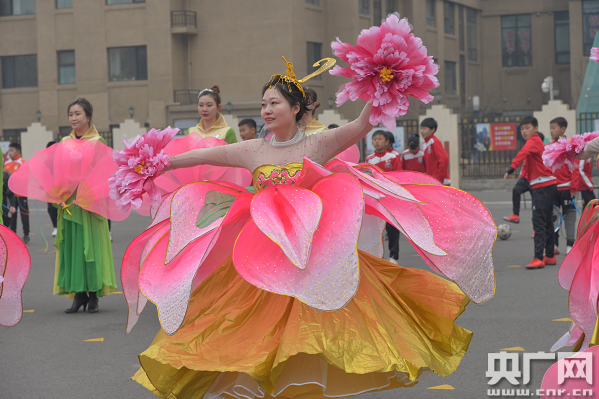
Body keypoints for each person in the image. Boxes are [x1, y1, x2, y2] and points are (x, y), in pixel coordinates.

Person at [125, 57, 496, 399]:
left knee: (312, 341)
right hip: (263, 266)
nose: (267, 110)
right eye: (264, 104)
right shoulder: (251, 150)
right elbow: (197, 157)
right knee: (254, 340)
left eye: (275, 103)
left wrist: (380, 88)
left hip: (312, 261)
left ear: (297, 109)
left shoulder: (319, 143)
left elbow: (362, 125)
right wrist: (159, 163)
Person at [57, 98, 117, 314]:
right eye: (70, 114)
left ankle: (93, 295)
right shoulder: (64, 141)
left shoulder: (97, 141)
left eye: (78, 114)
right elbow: (59, 171)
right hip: (70, 201)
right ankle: (78, 295)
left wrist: (91, 193)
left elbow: (105, 174)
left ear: (88, 116)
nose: (73, 118)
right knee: (73, 246)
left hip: (90, 201)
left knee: (90, 246)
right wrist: (58, 193)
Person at [504, 116, 557, 269]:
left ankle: (538, 258)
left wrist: (512, 168)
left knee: (539, 222)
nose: (524, 131)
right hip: (548, 185)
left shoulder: (533, 141)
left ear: (535, 128)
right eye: (522, 129)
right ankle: (550, 256)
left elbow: (522, 153)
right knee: (547, 221)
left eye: (527, 128)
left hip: (542, 185)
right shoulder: (537, 141)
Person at [366, 130, 401, 264]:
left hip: (389, 198)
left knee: (392, 229)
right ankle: (376, 256)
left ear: (387, 142)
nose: (376, 141)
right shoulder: (369, 159)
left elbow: (398, 177)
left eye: (380, 139)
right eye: (374, 139)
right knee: (376, 229)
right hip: (375, 199)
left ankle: (394, 256)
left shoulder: (393, 157)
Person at [546, 117, 578, 255]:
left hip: (566, 188)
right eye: (550, 128)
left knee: (569, 217)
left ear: (563, 129)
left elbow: (575, 168)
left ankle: (570, 244)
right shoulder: (548, 147)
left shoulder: (570, 146)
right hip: (552, 188)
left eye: (554, 128)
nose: (551, 131)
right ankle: (554, 245)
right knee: (553, 218)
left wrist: (574, 187)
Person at [4, 143, 29, 243]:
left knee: (24, 214)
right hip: (11, 195)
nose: (10, 152)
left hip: (21, 194)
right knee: (12, 215)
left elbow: (26, 177)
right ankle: (13, 234)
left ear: (18, 151)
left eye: (12, 150)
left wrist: (12, 174)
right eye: (9, 150)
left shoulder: (23, 162)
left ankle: (26, 234)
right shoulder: (7, 163)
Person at [420, 118, 450, 185]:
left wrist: (439, 178)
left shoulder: (434, 141)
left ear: (432, 130)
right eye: (421, 128)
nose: (421, 131)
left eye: (424, 129)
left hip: (439, 181)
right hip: (431, 180)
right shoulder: (425, 143)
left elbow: (444, 158)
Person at [45, 141, 58, 236]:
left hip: (63, 189)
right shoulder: (46, 162)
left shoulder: (63, 161)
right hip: (50, 190)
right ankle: (56, 227)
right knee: (51, 208)